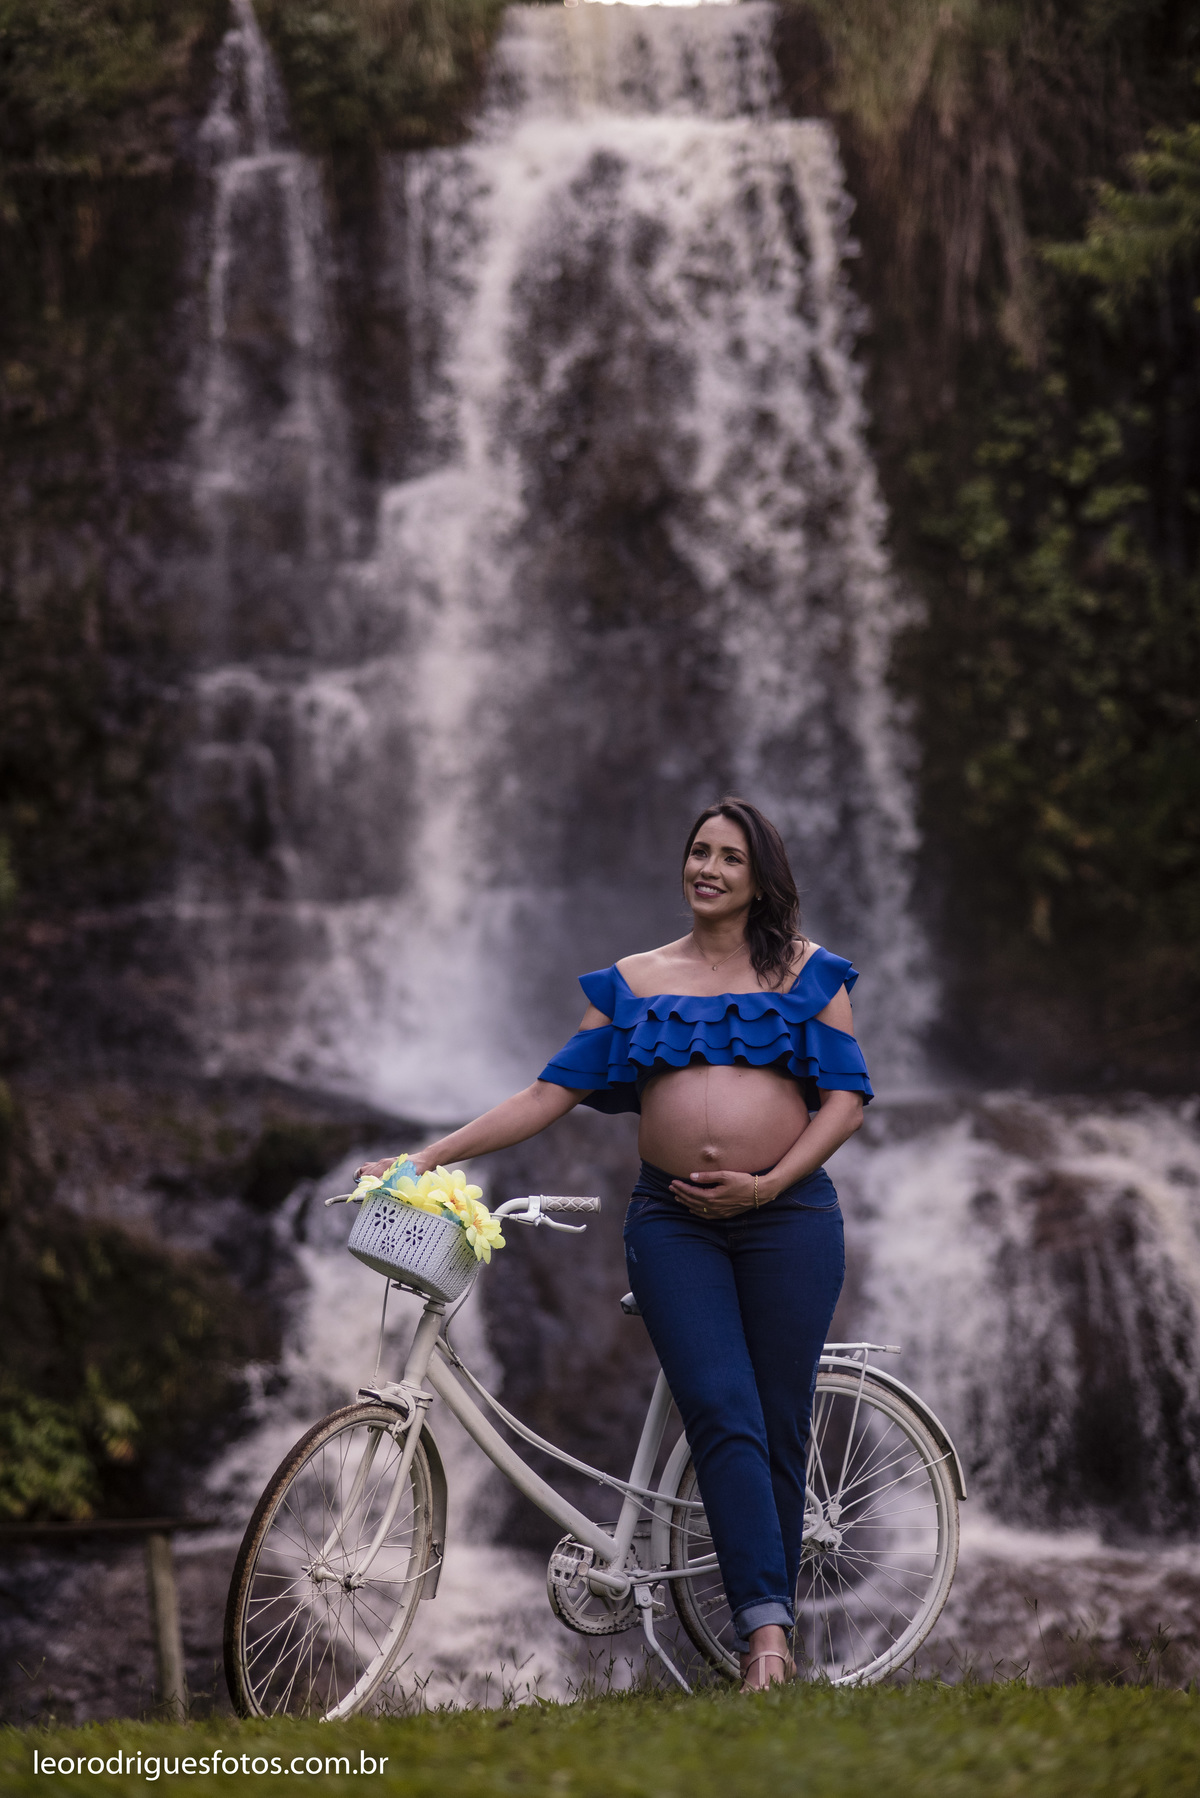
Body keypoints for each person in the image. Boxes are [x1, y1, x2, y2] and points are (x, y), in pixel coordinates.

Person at [358, 796, 871, 1690]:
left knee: (779, 1421)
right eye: (699, 851)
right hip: (672, 1222)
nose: (709, 868)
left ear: (761, 881)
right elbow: (544, 1095)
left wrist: (767, 1183)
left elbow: (846, 1102)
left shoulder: (808, 973)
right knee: (721, 1407)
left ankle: (767, 1639)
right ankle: (766, 1638)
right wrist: (426, 1157)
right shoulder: (637, 981)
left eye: (731, 858)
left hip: (789, 1219)